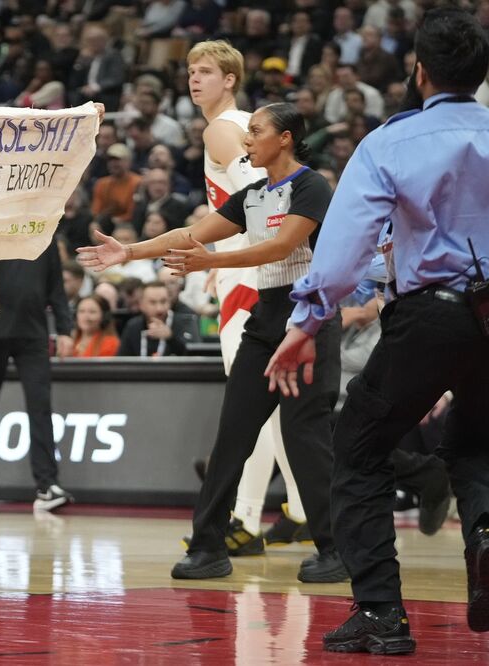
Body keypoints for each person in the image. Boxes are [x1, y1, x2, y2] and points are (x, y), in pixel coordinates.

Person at [266, 8, 489, 654]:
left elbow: (345, 246)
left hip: (431, 314)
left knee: (357, 445)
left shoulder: (389, 143)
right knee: (478, 448)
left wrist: (306, 320)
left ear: (419, 72)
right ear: (481, 74)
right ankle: (487, 534)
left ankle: (381, 611)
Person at [79, 103, 346, 584]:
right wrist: (130, 251)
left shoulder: (311, 186)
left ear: (285, 138)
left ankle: (336, 549)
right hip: (266, 318)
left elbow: (282, 246)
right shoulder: (252, 195)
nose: (247, 140)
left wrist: (213, 263)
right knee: (232, 436)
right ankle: (208, 547)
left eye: (257, 131)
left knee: (304, 436)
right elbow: (190, 234)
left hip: (309, 320)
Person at [187, 39, 310, 556]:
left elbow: (261, 199)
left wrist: (234, 260)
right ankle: (299, 510)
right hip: (255, 274)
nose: (194, 79)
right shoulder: (241, 126)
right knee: (274, 407)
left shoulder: (221, 128)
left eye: (205, 71)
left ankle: (244, 518)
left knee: (251, 406)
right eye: (191, 71)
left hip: (252, 282)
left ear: (230, 79)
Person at [0, 242, 75, 512]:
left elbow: (56, 285)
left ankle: (48, 484)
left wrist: (64, 329)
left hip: (33, 333)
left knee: (41, 407)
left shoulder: (44, 232)